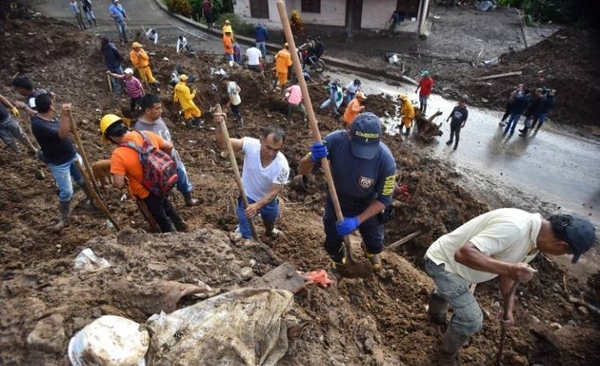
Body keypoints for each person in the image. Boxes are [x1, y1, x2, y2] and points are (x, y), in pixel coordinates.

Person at [424, 208, 596, 366]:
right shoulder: (515, 228)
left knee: (449, 294)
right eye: (565, 253)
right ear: (561, 246)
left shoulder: (535, 238)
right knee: (471, 320)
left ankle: (435, 316)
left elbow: (509, 273)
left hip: (459, 271)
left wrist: (509, 310)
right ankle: (446, 356)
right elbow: (463, 253)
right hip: (442, 264)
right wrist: (509, 268)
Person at [298, 113, 397, 273]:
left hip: (368, 203)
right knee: (332, 239)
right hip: (338, 199)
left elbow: (384, 201)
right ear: (349, 133)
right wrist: (311, 158)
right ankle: (339, 260)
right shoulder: (335, 141)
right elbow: (302, 169)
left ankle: (370, 250)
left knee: (375, 243)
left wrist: (357, 220)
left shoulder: (386, 162)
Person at [100, 114, 189, 233]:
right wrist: (159, 163)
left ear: (111, 137)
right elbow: (169, 146)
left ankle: (173, 235)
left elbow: (119, 183)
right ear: (125, 126)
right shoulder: (146, 134)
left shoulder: (118, 155)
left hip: (146, 191)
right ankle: (180, 224)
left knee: (160, 216)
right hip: (162, 181)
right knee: (165, 204)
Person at [214, 122, 290, 239]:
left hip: (268, 200)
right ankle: (246, 241)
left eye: (276, 150)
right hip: (247, 197)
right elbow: (223, 143)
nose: (271, 153)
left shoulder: (282, 166)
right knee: (246, 229)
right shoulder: (250, 145)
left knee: (270, 220)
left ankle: (270, 230)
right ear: (261, 140)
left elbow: (273, 192)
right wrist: (219, 125)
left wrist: (257, 206)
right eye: (268, 147)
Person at [31, 95, 91, 233]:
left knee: (82, 180)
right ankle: (64, 217)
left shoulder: (45, 117)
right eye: (52, 104)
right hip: (59, 163)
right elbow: (62, 134)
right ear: (51, 107)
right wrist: (64, 114)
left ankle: (91, 200)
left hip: (72, 156)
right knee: (67, 191)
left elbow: (37, 111)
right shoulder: (39, 124)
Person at [133, 94, 198, 207]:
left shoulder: (158, 119)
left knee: (182, 175)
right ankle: (167, 207)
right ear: (148, 110)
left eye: (161, 107)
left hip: (172, 157)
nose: (161, 111)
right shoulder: (140, 129)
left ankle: (188, 199)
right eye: (157, 108)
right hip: (159, 165)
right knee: (164, 186)